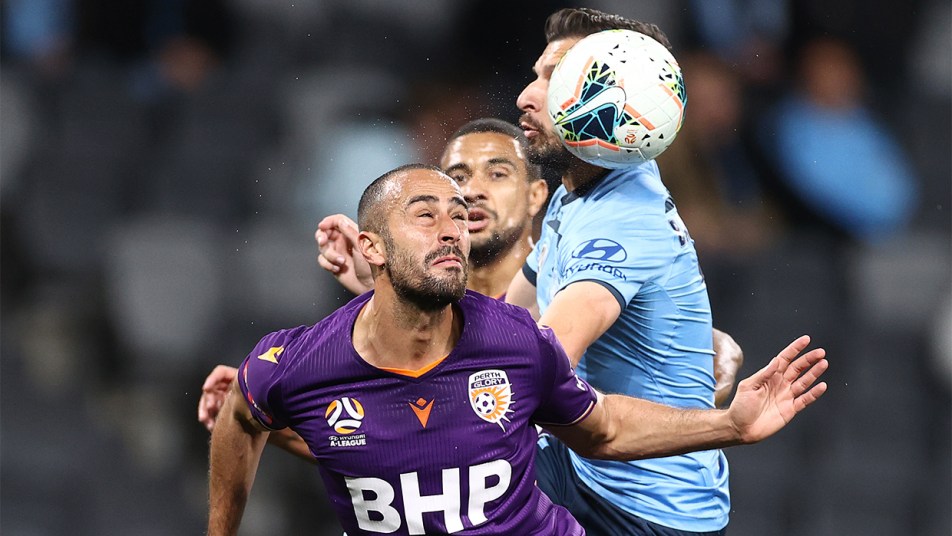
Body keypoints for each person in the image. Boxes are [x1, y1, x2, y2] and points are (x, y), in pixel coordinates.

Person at [207, 163, 829, 536]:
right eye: (425, 215)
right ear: (371, 247)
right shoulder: (295, 366)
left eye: (457, 215)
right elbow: (246, 416)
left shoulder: (516, 342)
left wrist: (728, 424)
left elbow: (604, 429)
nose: (451, 228)